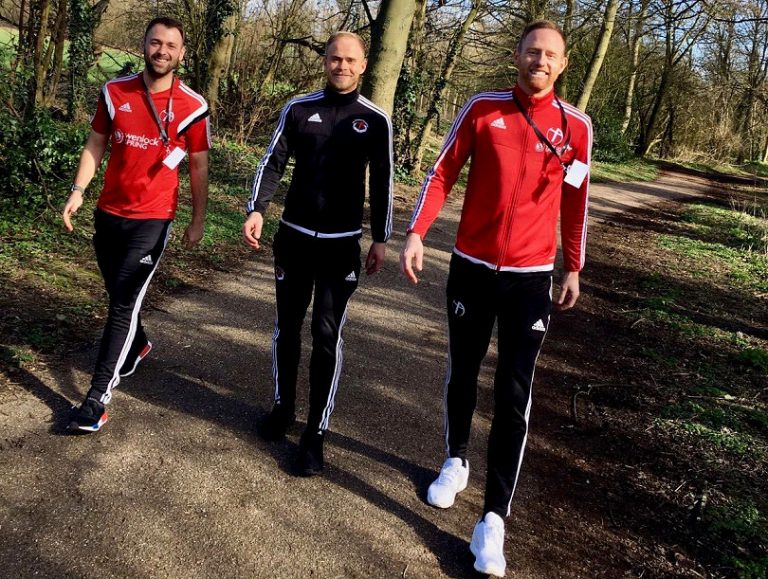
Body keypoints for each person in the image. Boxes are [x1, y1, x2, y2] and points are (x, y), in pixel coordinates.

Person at [400, 20, 592, 577]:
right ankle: (456, 459)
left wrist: (573, 266)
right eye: (533, 51)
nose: (540, 60)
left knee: (514, 393)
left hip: (530, 279)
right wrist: (417, 231)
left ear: (563, 64)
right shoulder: (482, 108)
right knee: (463, 371)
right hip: (472, 268)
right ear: (517, 56)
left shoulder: (575, 126)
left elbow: (575, 204)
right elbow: (441, 172)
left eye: (551, 55)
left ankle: (493, 520)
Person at [243, 31, 393, 476]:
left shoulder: (375, 120)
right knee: (287, 327)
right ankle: (283, 408)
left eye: (350, 60)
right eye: (334, 59)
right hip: (292, 238)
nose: (341, 66)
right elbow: (272, 161)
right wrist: (256, 209)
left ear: (363, 64)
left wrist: (381, 237)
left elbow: (383, 183)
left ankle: (316, 433)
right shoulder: (298, 108)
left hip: (340, 246)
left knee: (326, 334)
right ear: (324, 61)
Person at [62, 16, 210, 433]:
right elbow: (96, 142)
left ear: (182, 53)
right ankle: (138, 344)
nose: (162, 50)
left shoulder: (193, 106)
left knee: (123, 301)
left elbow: (197, 164)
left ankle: (96, 400)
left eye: (171, 45)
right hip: (109, 213)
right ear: (143, 46)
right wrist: (78, 190)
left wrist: (197, 219)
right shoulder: (114, 91)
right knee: (117, 293)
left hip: (153, 218)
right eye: (155, 42)